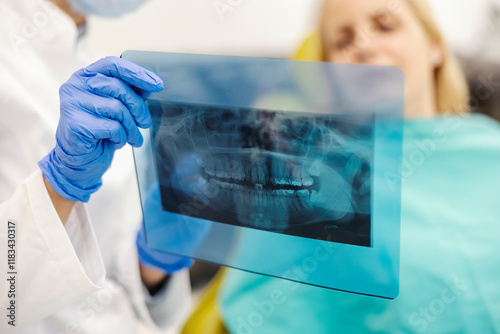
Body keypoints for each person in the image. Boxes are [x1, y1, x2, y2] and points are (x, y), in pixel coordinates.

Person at [181, 0, 500, 333]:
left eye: (385, 26)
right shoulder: (306, 171)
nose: (364, 46)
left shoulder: (490, 146)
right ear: (331, 76)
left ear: (435, 46)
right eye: (343, 42)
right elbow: (258, 307)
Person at [0, 0, 194, 333]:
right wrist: (58, 185)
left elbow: (106, 271)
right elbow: (9, 299)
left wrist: (151, 267)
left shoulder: (104, 73)